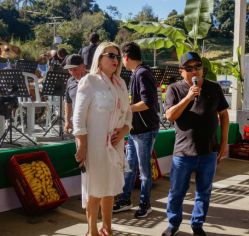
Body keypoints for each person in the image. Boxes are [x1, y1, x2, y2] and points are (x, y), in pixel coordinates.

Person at [161, 52, 229, 236]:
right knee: (176, 192)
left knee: (204, 192)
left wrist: (224, 143)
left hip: (208, 152)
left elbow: (223, 114)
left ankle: (197, 225)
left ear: (202, 69)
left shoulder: (214, 88)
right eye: (189, 68)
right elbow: (169, 116)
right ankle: (173, 224)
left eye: (197, 67)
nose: (194, 72)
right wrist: (189, 97)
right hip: (183, 153)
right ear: (181, 71)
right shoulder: (174, 89)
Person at [73, 42, 132, 236]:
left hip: (115, 145)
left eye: (117, 56)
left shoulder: (121, 83)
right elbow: (78, 117)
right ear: (99, 57)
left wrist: (123, 131)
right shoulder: (89, 81)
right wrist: (82, 145)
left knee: (111, 186)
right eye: (111, 56)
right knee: (94, 188)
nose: (116, 60)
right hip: (94, 144)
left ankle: (108, 227)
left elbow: (128, 114)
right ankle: (92, 231)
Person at [113, 42, 159, 218]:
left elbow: (147, 103)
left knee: (144, 170)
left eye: (119, 58)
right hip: (135, 130)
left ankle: (145, 204)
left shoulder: (143, 74)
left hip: (145, 130)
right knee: (130, 167)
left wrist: (125, 108)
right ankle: (125, 199)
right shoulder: (137, 73)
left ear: (126, 57)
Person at [63, 54, 87, 134]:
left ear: (83, 66)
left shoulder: (92, 79)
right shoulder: (70, 81)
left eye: (75, 69)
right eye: (70, 70)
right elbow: (68, 102)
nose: (73, 73)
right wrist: (67, 121)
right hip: (77, 122)